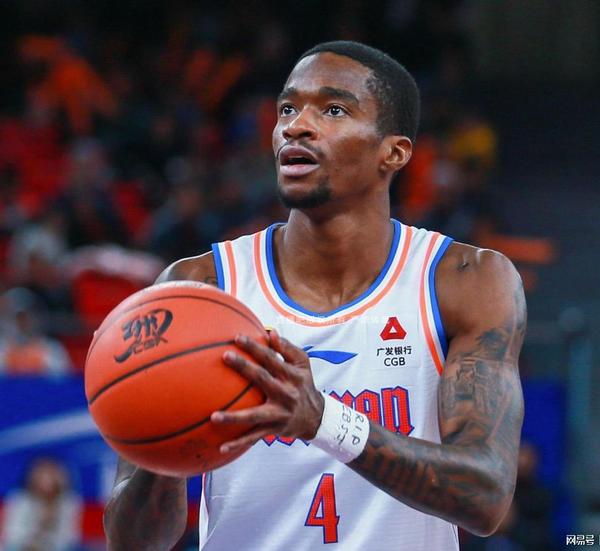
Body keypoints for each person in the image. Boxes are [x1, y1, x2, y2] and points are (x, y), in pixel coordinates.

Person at [104, 41, 525, 550]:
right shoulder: (200, 288)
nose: (296, 126)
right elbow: (132, 543)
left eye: (333, 110)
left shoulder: (463, 280)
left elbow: (485, 496)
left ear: (393, 152)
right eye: (287, 108)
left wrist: (324, 420)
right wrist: (164, 440)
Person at [1, 457, 82, 551]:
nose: (47, 480)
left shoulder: (69, 501)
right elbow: (13, 536)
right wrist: (39, 525)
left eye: (51, 474)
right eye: (42, 475)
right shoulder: (19, 499)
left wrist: (52, 520)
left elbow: (69, 538)